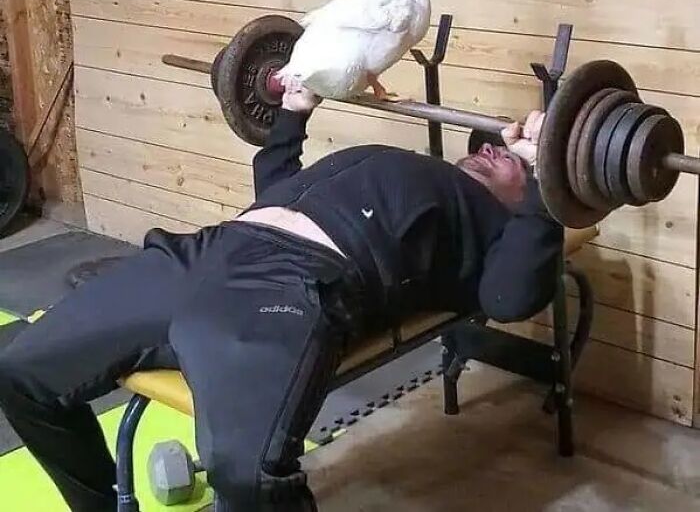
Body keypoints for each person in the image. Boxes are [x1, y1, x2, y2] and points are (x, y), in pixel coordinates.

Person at [0, 83, 562, 512]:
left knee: (250, 477)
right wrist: (293, 111)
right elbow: (275, 185)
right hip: (205, 251)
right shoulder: (415, 168)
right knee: (22, 373)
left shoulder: (492, 226)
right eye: (495, 148)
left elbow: (510, 297)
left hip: (291, 284)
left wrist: (545, 184)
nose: (496, 151)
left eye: (512, 161)